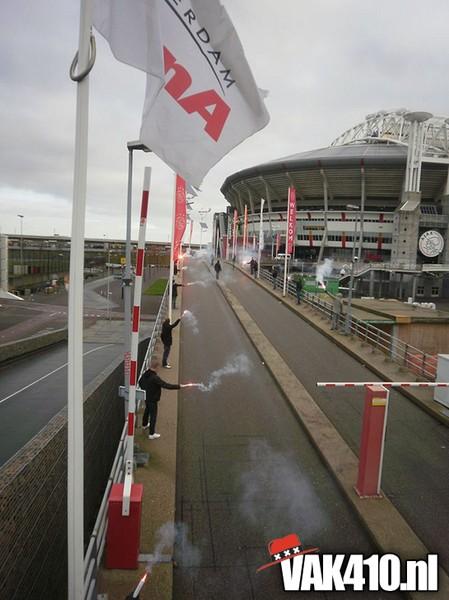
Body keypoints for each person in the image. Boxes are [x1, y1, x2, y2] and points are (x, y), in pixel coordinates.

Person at [139, 361, 186, 439]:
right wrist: (179, 386)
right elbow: (166, 385)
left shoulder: (145, 374)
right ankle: (152, 433)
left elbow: (140, 382)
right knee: (153, 415)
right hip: (153, 399)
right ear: (156, 367)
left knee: (147, 410)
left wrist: (146, 389)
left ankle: (144, 424)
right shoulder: (155, 378)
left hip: (146, 397)